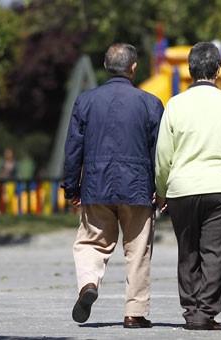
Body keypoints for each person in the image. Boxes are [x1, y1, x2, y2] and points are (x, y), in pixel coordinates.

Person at [154, 42, 221, 331]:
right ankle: (206, 314)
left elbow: (163, 154)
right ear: (217, 69)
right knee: (215, 252)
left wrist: (161, 190)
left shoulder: (174, 105)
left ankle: (191, 311)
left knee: (187, 250)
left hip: (182, 188)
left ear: (189, 71)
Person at [61, 43, 164, 329]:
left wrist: (71, 187)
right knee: (138, 250)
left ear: (106, 67)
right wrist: (160, 187)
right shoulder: (150, 102)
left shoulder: (85, 101)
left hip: (96, 184)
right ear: (133, 68)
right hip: (138, 188)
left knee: (91, 242)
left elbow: (73, 148)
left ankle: (89, 283)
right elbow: (160, 151)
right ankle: (135, 312)